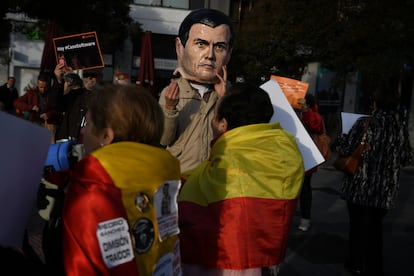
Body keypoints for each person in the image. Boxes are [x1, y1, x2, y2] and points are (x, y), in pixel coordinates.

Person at [178, 82, 305, 275]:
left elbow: (188, 213)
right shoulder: (287, 155)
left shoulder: (224, 169)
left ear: (223, 124)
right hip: (265, 261)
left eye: (215, 117)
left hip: (228, 266)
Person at [60, 84, 182, 275]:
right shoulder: (169, 177)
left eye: (88, 124)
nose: (83, 132)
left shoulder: (93, 189)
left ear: (106, 136)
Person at [336, 77, 413, 276]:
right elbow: (406, 157)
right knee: (375, 229)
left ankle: (356, 263)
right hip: (384, 191)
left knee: (357, 228)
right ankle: (374, 266)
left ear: (376, 101)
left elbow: (344, 148)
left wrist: (344, 137)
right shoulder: (399, 128)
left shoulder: (364, 123)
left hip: (360, 187)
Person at [158, 8, 234, 172]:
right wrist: (170, 108)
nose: (210, 55)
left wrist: (224, 99)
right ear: (180, 46)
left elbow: (235, 140)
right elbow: (164, 139)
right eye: (201, 44)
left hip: (216, 181)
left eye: (219, 47)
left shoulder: (232, 95)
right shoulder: (172, 91)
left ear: (229, 54)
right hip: (180, 177)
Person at [296, 94, 324, 231]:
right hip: (291, 156)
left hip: (306, 157)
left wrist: (306, 110)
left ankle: (305, 219)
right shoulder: (293, 112)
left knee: (305, 189)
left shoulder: (312, 114)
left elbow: (316, 127)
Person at [54, 72, 87, 142]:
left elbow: (56, 104)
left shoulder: (69, 96)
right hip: (79, 135)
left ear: (68, 83)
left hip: (67, 135)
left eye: (64, 82)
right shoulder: (84, 95)